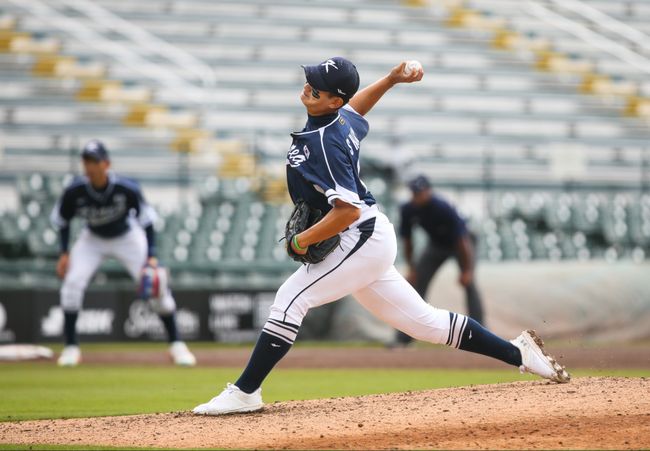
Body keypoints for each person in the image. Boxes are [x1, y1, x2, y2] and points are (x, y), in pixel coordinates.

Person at [192, 57, 569, 416]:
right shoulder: (339, 121)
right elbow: (357, 108)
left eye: (318, 87)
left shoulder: (326, 141)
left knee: (290, 300)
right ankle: (521, 353)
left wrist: (302, 240)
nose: (309, 86)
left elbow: (347, 210)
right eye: (311, 79)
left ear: (332, 101)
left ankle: (245, 393)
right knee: (427, 324)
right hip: (369, 237)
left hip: (360, 235)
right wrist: (390, 79)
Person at [50, 140, 196, 367]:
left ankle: (177, 344)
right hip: (92, 239)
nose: (89, 166)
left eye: (94, 161)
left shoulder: (125, 188)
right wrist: (63, 252)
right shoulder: (74, 191)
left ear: (106, 163)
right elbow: (62, 221)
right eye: (86, 161)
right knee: (72, 284)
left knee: (157, 285)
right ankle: (70, 347)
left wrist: (152, 256)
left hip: (127, 237)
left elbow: (147, 221)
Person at [393, 175, 484, 346]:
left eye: (420, 192)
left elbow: (462, 240)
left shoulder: (442, 207)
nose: (417, 196)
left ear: (428, 191)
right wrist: (411, 268)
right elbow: (408, 240)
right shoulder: (408, 209)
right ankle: (404, 337)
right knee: (416, 283)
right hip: (436, 244)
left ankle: (479, 335)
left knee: (469, 285)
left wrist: (467, 271)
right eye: (414, 193)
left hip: (462, 244)